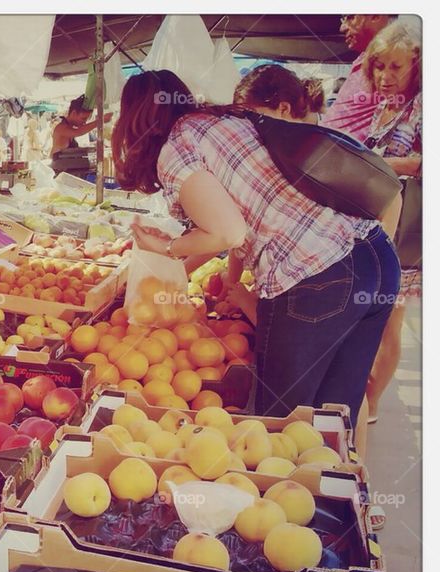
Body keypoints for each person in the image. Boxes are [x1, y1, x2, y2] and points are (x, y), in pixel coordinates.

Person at [111, 70, 400, 426]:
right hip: (374, 258)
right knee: (330, 423)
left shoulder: (176, 148)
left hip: (317, 274)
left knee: (280, 428)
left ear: (134, 122)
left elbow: (229, 233)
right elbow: (236, 226)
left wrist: (169, 247)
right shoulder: (229, 121)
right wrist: (179, 262)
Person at [361, 18, 422, 422]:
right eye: (379, 66)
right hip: (381, 226)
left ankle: (374, 403)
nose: (384, 76)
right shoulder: (388, 106)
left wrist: (381, 161)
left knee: (389, 320)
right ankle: (363, 392)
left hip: (408, 234)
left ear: (416, 64)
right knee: (373, 313)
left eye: (395, 67)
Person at [322, 14, 394, 141]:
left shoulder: (398, 59)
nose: (342, 28)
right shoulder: (363, 58)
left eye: (350, 17)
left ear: (375, 16)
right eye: (343, 20)